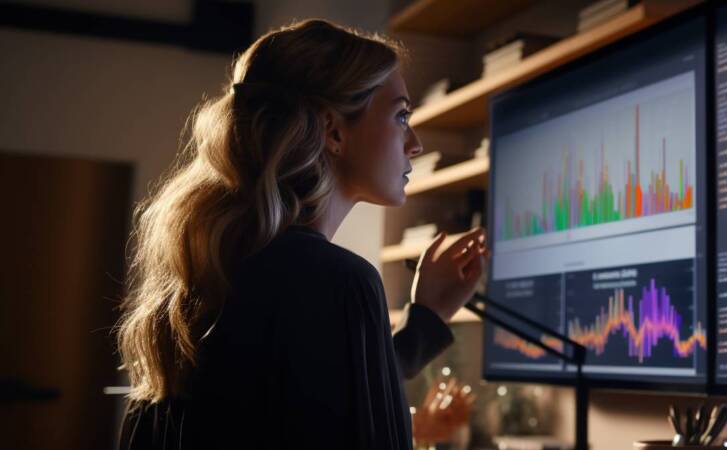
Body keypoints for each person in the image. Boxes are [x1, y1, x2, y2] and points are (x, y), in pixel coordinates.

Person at [112, 18, 487, 449]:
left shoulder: (213, 265)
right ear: (332, 131)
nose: (415, 143)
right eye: (401, 115)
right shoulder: (339, 280)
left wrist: (423, 323)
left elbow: (304, 395)